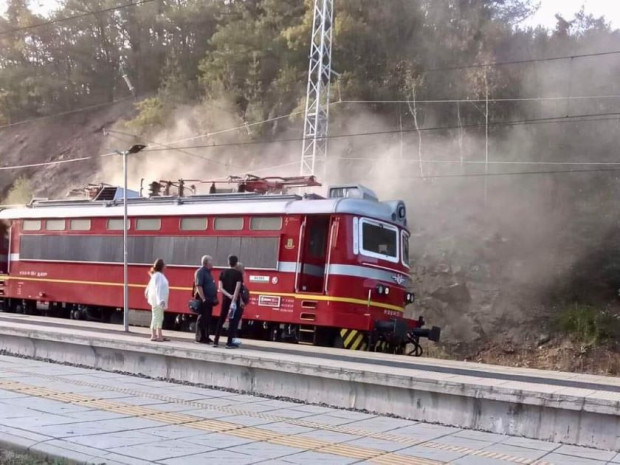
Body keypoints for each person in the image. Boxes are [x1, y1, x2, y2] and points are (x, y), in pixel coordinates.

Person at [213, 255, 243, 348]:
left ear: (228, 262)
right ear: (236, 263)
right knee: (232, 320)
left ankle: (216, 341)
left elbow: (220, 288)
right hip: (234, 301)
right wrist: (233, 300)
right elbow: (237, 288)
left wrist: (228, 295)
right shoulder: (238, 274)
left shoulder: (223, 273)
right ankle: (229, 342)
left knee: (221, 319)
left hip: (225, 299)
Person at [144, 258, 169, 342]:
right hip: (158, 301)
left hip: (157, 300)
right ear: (161, 266)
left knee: (158, 317)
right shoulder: (158, 276)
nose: (165, 266)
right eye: (164, 265)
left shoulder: (157, 275)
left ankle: (156, 335)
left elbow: (149, 289)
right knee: (158, 317)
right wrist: (160, 300)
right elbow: (158, 289)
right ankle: (157, 336)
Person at [194, 255, 217, 344]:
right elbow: (199, 286)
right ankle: (200, 337)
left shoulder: (208, 272)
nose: (212, 263)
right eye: (211, 261)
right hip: (204, 299)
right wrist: (203, 298)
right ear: (206, 262)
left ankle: (206, 336)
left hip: (209, 299)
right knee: (202, 317)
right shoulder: (200, 272)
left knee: (207, 318)